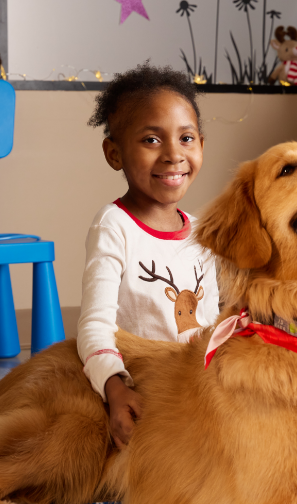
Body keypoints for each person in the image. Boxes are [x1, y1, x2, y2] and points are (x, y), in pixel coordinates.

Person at [79, 63, 219, 449]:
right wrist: (115, 388)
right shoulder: (113, 226)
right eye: (151, 140)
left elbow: (214, 322)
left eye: (186, 138)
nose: (174, 155)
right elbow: (94, 326)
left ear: (201, 146)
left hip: (197, 386)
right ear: (114, 153)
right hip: (145, 386)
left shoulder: (202, 231)